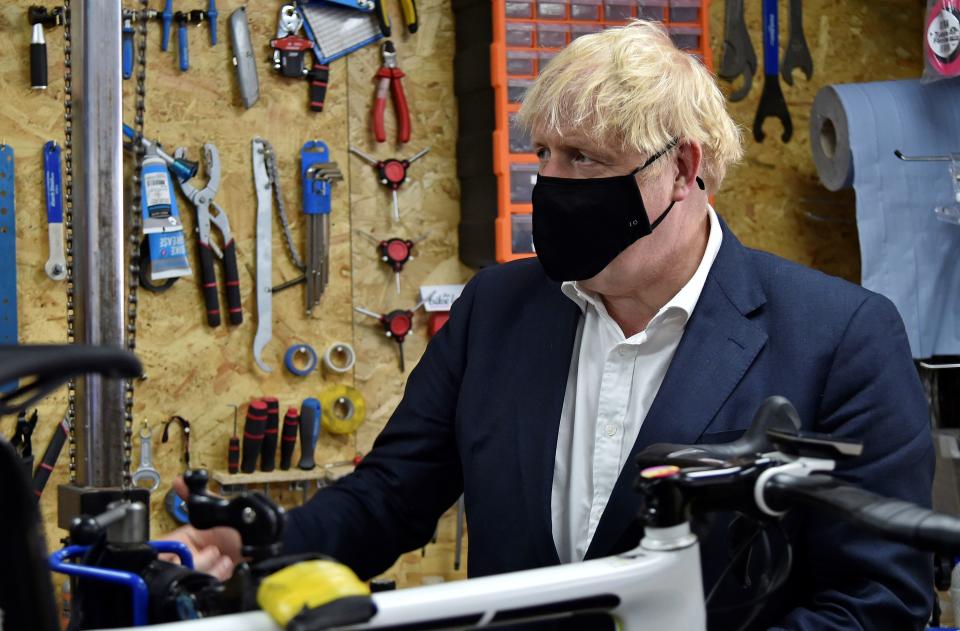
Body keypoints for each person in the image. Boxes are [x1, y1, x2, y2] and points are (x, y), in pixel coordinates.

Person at [168, 20, 935, 629]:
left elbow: (878, 601)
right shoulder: (497, 310)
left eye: (587, 160)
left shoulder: (841, 338)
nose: (555, 185)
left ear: (685, 167)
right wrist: (257, 541)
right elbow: (387, 499)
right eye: (546, 156)